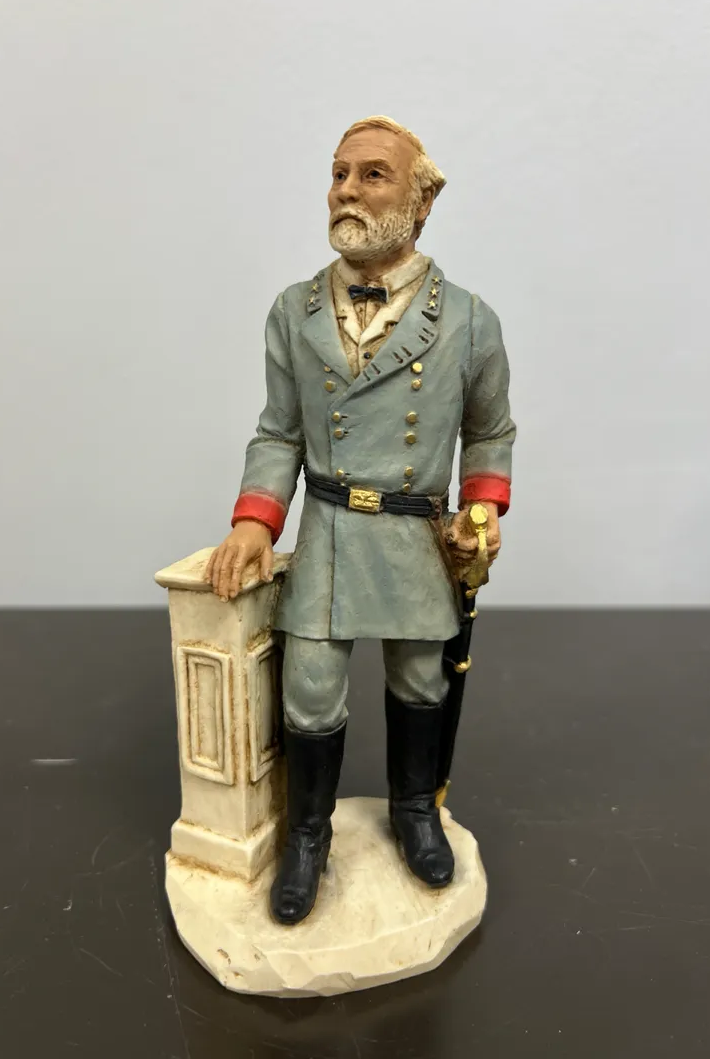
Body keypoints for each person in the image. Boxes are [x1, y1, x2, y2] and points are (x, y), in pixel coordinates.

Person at [205, 116, 515, 925]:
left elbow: (489, 431)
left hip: (413, 535)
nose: (346, 190)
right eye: (338, 173)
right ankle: (308, 835)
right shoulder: (294, 310)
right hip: (332, 534)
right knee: (309, 690)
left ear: (422, 202)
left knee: (419, 681)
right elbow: (279, 431)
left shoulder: (469, 320)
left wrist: (481, 507)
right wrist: (256, 522)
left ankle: (414, 813)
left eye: (372, 174)